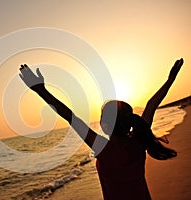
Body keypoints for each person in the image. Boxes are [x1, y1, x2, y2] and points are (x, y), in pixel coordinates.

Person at [19, 58, 184, 200]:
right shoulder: (139, 140)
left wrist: (41, 91)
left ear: (105, 125)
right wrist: (170, 80)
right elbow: (151, 105)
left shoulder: (103, 148)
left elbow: (70, 117)